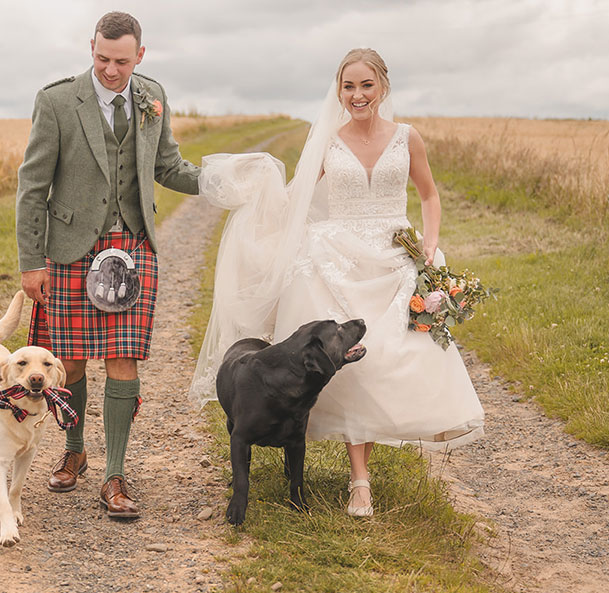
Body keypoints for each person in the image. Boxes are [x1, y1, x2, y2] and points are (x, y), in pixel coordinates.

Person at [190, 48, 483, 518]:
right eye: (349, 86)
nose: (357, 95)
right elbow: (297, 199)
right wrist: (261, 197)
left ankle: (370, 464)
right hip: (335, 257)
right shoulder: (328, 140)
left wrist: (429, 247)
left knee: (388, 359)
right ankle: (359, 482)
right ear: (339, 90)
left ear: (383, 87)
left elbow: (429, 195)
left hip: (393, 254)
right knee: (352, 367)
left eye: (366, 85)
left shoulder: (409, 138)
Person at [16, 11, 200, 519]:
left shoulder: (152, 96)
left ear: (140, 55)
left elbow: (167, 166)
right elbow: (33, 186)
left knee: (124, 357)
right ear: (90, 48)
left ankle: (114, 474)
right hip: (72, 246)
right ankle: (74, 451)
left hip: (133, 246)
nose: (111, 70)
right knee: (69, 360)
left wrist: (222, 182)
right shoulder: (56, 101)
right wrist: (32, 261)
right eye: (101, 58)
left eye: (121, 61)